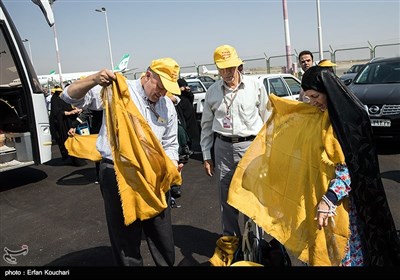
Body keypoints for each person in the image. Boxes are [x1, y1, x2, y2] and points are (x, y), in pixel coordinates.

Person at [229, 65, 400, 266]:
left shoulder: (351, 118)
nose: (313, 102)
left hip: (347, 204)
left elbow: (350, 168)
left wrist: (329, 199)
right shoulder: (320, 115)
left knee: (348, 251)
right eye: (308, 97)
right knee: (324, 251)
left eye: (316, 96)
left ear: (328, 90)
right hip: (321, 198)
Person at [60, 57, 183, 266]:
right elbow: (69, 96)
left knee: (162, 234)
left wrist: (170, 166)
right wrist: (93, 79)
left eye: (167, 89)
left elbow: (171, 143)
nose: (162, 93)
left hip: (154, 175)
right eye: (160, 87)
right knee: (125, 238)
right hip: (118, 173)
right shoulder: (117, 89)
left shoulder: (166, 106)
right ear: (147, 76)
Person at [200, 45, 269, 238]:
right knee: (227, 198)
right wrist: (207, 155)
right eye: (222, 68)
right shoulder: (212, 92)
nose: (227, 72)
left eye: (230, 67)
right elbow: (205, 126)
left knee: (253, 196)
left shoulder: (255, 86)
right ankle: (231, 241)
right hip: (222, 148)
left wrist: (267, 150)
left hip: (251, 146)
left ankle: (255, 241)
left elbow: (267, 118)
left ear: (239, 65)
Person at [49, 85, 86, 166]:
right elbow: (56, 112)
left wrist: (76, 110)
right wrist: (69, 113)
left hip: (70, 121)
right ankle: (74, 158)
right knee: (68, 140)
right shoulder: (55, 99)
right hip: (62, 124)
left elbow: (70, 106)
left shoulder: (65, 98)